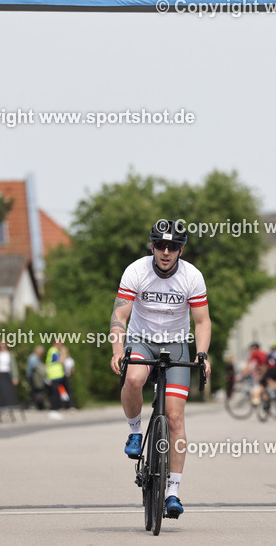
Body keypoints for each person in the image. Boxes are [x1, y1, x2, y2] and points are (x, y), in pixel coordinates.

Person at [109, 219, 211, 520]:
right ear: (152, 246)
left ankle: (173, 493)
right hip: (142, 340)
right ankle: (135, 432)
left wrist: (202, 354)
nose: (166, 252)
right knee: (134, 378)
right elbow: (120, 313)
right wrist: (118, 350)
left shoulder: (192, 276)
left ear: (180, 250)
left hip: (177, 344)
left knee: (176, 418)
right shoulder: (136, 271)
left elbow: (202, 321)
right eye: (160, 246)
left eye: (173, 247)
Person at [45, 338, 65, 419]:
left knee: (57, 393)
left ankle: (55, 409)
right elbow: (61, 361)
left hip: (56, 375)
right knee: (54, 394)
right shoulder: (53, 351)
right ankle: (53, 410)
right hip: (53, 375)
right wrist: (64, 352)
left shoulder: (55, 351)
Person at [27, 346, 47, 410]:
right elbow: (36, 367)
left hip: (36, 377)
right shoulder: (33, 358)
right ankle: (33, 405)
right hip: (33, 377)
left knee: (36, 391)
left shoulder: (36, 358)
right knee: (35, 391)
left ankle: (37, 405)